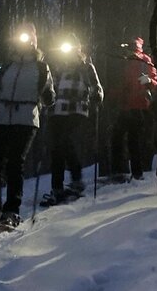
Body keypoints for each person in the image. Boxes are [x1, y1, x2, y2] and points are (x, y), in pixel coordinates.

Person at [0, 23, 55, 226]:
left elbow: (49, 92)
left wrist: (48, 97)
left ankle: (12, 209)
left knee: (15, 162)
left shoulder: (41, 67)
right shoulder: (5, 67)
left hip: (26, 118)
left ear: (33, 42)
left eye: (27, 40)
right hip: (2, 116)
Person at [44, 33, 103, 204]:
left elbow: (96, 86)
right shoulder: (58, 68)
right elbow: (51, 87)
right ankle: (57, 186)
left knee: (66, 142)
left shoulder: (85, 67)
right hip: (57, 112)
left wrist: (97, 96)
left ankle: (76, 179)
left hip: (76, 110)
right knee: (56, 149)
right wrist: (46, 99)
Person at [110, 36, 157, 181]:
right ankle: (122, 171)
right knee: (118, 137)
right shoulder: (125, 62)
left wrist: (149, 81)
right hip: (127, 106)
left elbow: (155, 81)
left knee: (133, 140)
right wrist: (112, 94)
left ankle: (137, 173)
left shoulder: (144, 60)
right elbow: (123, 85)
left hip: (140, 106)